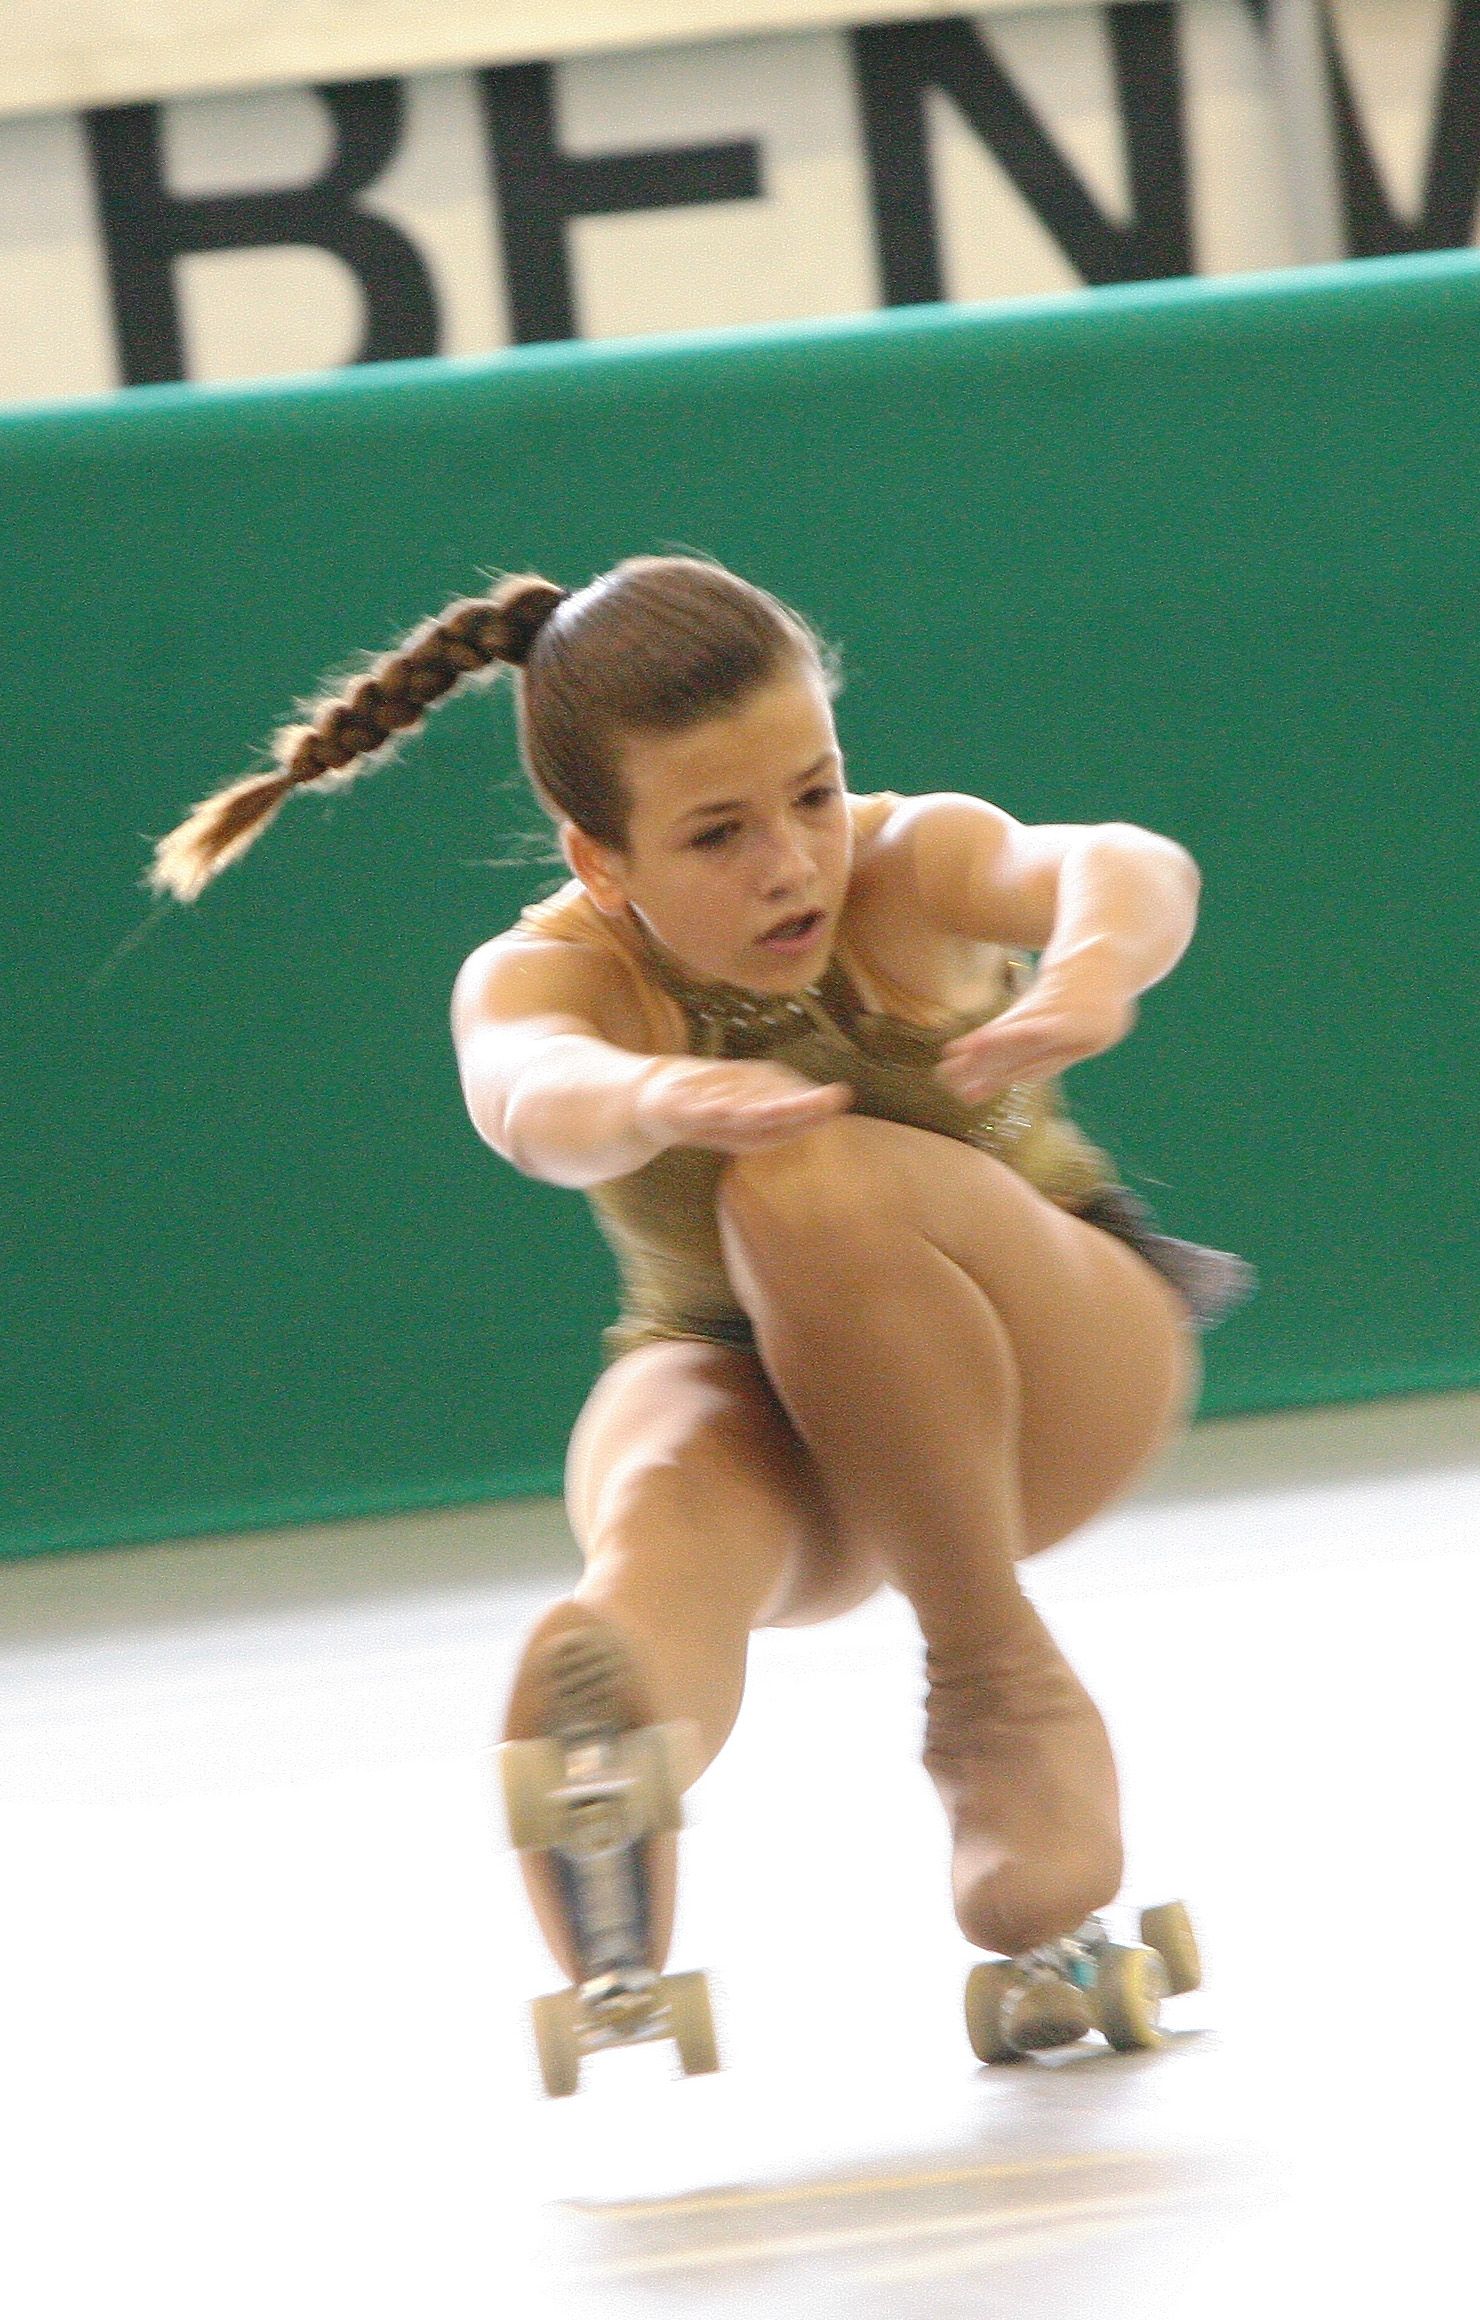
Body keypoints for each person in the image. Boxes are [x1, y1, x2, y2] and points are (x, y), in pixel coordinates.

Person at [150, 553, 1249, 2023]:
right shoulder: (555, 975)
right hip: (792, 1432)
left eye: (810, 792)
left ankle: (990, 1679)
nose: (792, 860)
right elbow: (525, 1090)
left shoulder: (908, 866)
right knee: (654, 1462)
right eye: (717, 833)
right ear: (601, 862)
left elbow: (1121, 860)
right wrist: (653, 1087)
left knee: (808, 1187)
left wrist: (1098, 968)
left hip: (1058, 1371)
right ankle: (614, 1752)